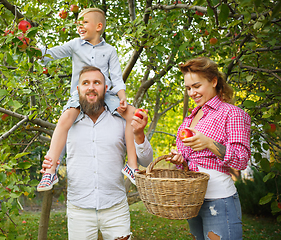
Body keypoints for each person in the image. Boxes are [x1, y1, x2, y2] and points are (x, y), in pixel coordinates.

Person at [41, 66, 153, 240]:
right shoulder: (68, 122)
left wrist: (139, 134)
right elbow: (55, 155)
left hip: (115, 208)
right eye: (86, 83)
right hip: (79, 210)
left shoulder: (121, 120)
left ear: (105, 88)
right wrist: (49, 165)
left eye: (96, 83)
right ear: (78, 89)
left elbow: (146, 161)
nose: (91, 87)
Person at [37, 8, 138, 191]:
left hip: (105, 94)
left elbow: (116, 78)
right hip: (81, 95)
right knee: (65, 119)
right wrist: (34, 50)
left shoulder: (109, 50)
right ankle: (50, 171)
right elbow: (51, 54)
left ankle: (132, 166)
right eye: (78, 23)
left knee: (131, 114)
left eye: (84, 22)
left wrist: (122, 98)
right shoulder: (75, 44)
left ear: (98, 26)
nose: (79, 26)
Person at [166, 57, 251, 240]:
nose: (192, 92)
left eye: (196, 86)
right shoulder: (190, 119)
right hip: (194, 201)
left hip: (219, 200)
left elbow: (241, 159)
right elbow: (189, 160)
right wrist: (180, 158)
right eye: (188, 88)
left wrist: (210, 143)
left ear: (213, 81)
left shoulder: (232, 113)